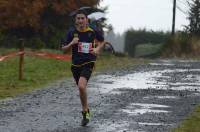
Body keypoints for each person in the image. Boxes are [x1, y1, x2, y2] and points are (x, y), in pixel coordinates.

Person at [62, 10, 105, 126]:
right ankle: (86, 110)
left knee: (81, 86)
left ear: (87, 20)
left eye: (82, 18)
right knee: (81, 89)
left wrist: (96, 49)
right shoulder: (71, 32)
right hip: (75, 65)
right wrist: (71, 43)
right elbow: (63, 49)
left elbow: (102, 41)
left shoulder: (93, 31)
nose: (80, 20)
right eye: (78, 18)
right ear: (75, 21)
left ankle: (85, 113)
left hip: (89, 62)